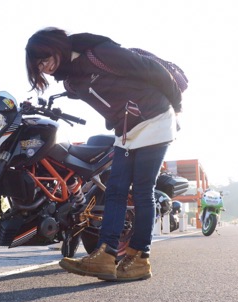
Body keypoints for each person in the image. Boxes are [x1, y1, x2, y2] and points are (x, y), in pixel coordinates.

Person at [25, 27, 183, 281]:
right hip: (126, 130)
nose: (44, 67)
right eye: (37, 66)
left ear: (56, 46)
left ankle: (139, 258)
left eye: (44, 58)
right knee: (115, 190)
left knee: (142, 191)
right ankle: (106, 255)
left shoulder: (99, 52)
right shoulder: (70, 79)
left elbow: (154, 71)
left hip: (155, 117)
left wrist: (177, 108)